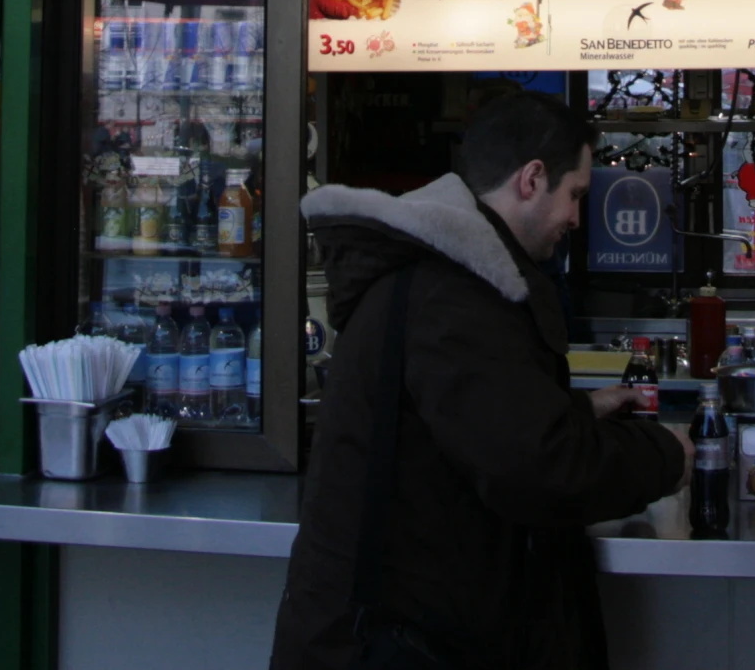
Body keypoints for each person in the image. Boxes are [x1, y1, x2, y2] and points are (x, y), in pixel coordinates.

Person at [271, 92, 687, 670]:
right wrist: (668, 454)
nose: (575, 218)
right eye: (575, 196)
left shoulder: (450, 277)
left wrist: (569, 411)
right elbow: (541, 469)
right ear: (532, 179)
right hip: (394, 647)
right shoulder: (455, 293)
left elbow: (467, 423)